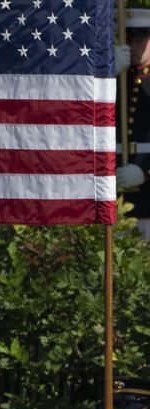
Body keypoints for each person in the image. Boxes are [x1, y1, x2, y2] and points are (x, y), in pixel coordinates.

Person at [115, 7, 150, 239]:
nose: (135, 44)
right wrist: (110, 74)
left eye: (142, 38)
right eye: (131, 37)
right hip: (118, 193)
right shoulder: (123, 78)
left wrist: (146, 171)